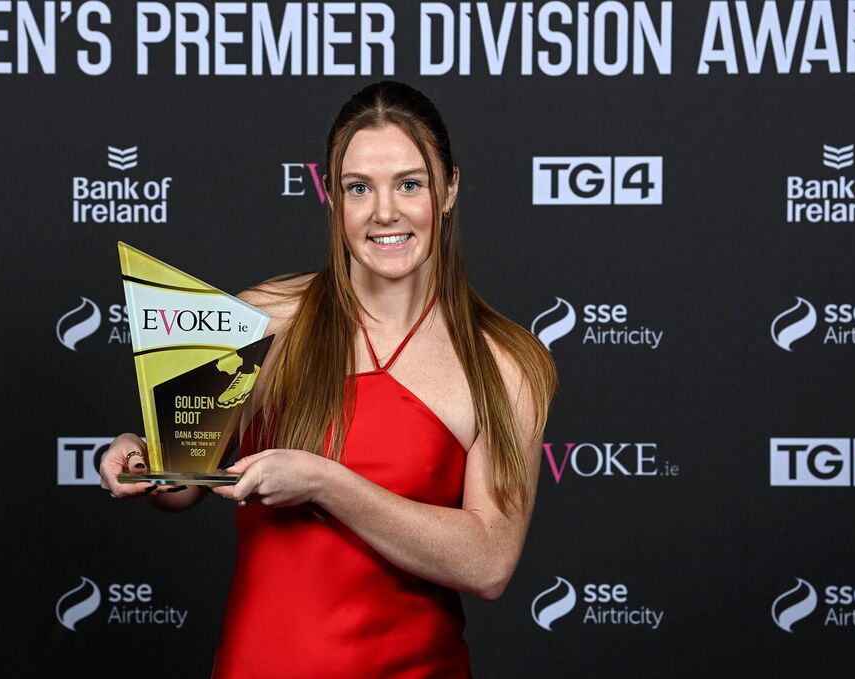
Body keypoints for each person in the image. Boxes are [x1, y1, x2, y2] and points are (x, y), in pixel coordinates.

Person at [100, 81, 557, 679]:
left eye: (410, 184)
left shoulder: (505, 363)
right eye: (359, 187)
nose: (385, 212)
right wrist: (140, 458)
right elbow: (182, 484)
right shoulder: (261, 318)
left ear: (449, 190)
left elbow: (488, 563)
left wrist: (324, 483)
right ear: (332, 196)